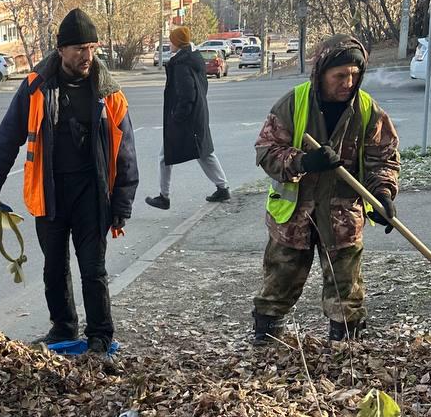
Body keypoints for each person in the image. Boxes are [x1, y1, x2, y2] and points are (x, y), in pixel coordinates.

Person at [0, 8, 138, 358]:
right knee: (54, 268)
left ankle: (99, 334)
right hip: (49, 194)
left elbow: (126, 154)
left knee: (93, 269)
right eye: (79, 48)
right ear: (61, 49)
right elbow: (7, 138)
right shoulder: (35, 87)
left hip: (91, 196)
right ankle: (63, 326)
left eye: (92, 47)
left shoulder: (109, 93)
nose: (87, 56)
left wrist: (121, 204)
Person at [252, 33, 400, 344]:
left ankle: (344, 348)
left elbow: (382, 157)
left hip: (342, 216)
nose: (347, 82)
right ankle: (266, 339)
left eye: (354, 75)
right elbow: (266, 151)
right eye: (340, 75)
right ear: (321, 73)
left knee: (346, 290)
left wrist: (382, 195)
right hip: (294, 216)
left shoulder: (367, 110)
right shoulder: (294, 103)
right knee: (279, 282)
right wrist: (304, 162)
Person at [145, 26, 230, 210]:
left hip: (186, 119)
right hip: (197, 116)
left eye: (171, 40)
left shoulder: (181, 64)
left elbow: (187, 94)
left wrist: (177, 117)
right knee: (204, 153)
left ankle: (164, 196)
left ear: (177, 42)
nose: (169, 43)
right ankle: (223, 187)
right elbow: (201, 88)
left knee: (166, 156)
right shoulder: (194, 58)